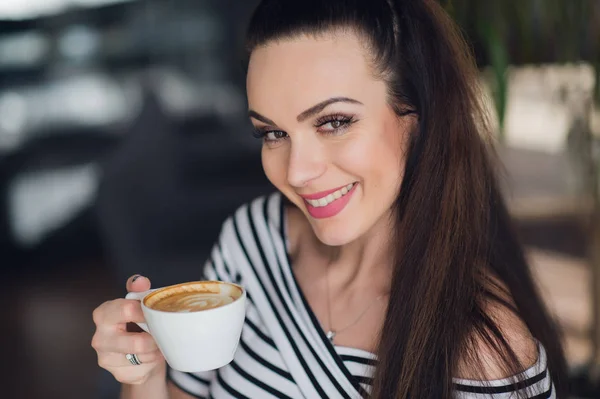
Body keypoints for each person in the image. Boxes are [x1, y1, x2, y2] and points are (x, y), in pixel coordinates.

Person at [91, 0, 569, 398]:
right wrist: (147, 375)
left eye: (334, 121)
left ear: (416, 115)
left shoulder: (482, 350)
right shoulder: (252, 237)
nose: (297, 172)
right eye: (273, 132)